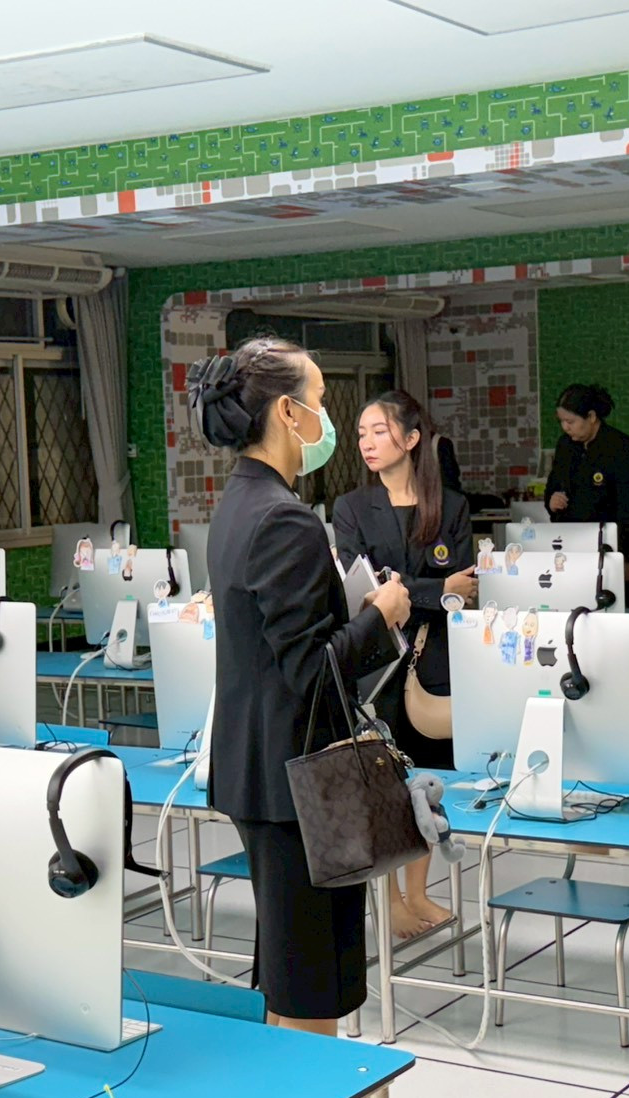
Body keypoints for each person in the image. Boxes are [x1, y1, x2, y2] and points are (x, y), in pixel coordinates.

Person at [194, 337, 411, 1036]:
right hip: (298, 783)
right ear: (288, 413)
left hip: (261, 771)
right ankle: (309, 1081)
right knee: (314, 983)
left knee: (290, 970)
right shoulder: (283, 517)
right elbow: (311, 670)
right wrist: (379, 616)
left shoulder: (238, 503)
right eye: (318, 400)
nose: (326, 417)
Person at [332, 390, 477, 939]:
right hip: (377, 661)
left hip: (434, 658)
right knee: (385, 781)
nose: (367, 443)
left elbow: (463, 591)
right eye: (361, 433)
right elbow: (366, 590)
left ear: (412, 439)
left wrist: (417, 590)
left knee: (430, 782)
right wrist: (433, 588)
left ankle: (418, 893)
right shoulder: (351, 508)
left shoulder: (451, 507)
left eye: (379, 431)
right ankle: (390, 900)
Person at [543, 384, 629, 611]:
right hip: (571, 547)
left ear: (591, 417)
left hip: (612, 548)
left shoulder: (623, 448)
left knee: (618, 614)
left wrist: (623, 558)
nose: (565, 427)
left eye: (570, 421)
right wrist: (551, 500)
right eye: (561, 421)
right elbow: (553, 485)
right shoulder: (565, 446)